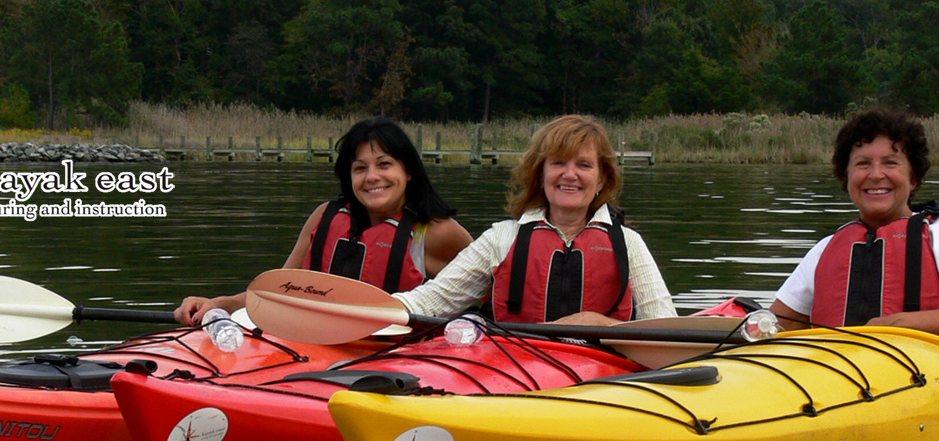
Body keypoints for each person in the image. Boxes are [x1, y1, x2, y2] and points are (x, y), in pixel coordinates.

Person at [173, 117, 473, 325]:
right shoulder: (324, 217)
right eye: (359, 168)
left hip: (397, 359)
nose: (372, 177)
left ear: (408, 171)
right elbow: (277, 291)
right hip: (316, 347)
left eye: (384, 165)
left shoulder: (437, 233)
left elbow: (484, 302)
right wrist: (219, 304)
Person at [394, 115, 674, 326]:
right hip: (518, 373)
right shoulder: (501, 238)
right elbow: (430, 301)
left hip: (602, 380)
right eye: (558, 163)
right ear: (540, 175)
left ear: (601, 179)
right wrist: (368, 306)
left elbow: (665, 330)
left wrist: (600, 324)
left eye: (584, 165)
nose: (570, 174)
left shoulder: (628, 244)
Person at [768, 109, 939, 345]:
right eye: (862, 164)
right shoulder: (824, 250)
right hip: (835, 372)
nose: (875, 175)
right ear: (847, 177)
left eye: (890, 163)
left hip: (920, 374)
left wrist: (894, 327)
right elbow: (775, 327)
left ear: (913, 178)